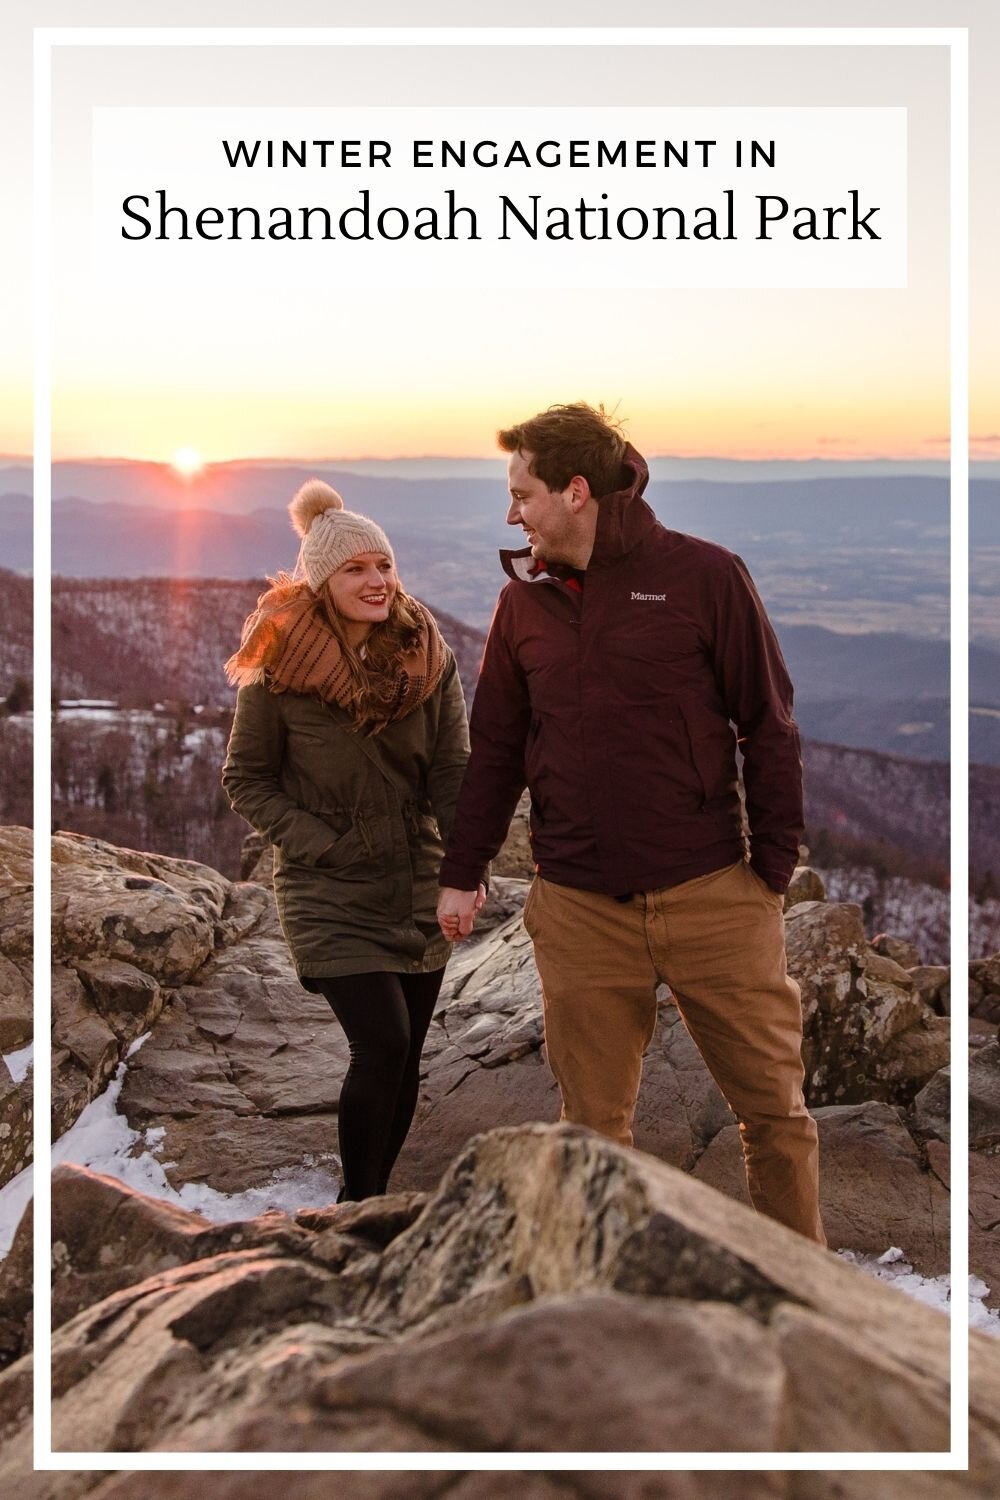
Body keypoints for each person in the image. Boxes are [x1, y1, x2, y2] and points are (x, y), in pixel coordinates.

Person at [437, 403, 826, 1245]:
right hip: (577, 907)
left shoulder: (704, 577)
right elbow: (497, 750)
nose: (512, 512)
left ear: (576, 491)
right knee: (593, 1131)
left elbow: (769, 721)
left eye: (522, 493)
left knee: (775, 1115)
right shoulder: (524, 609)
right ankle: (596, 1310)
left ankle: (814, 1303)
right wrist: (463, 871)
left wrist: (771, 872)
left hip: (712, 894)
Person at [222, 479, 479, 1201]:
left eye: (384, 565)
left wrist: (464, 863)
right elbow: (245, 779)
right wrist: (323, 843)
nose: (376, 581)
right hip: (326, 888)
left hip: (413, 881)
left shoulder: (429, 658)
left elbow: (454, 770)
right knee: (384, 1044)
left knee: (408, 1058)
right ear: (320, 580)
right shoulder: (278, 667)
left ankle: (374, 1204)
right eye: (355, 569)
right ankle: (354, 1207)